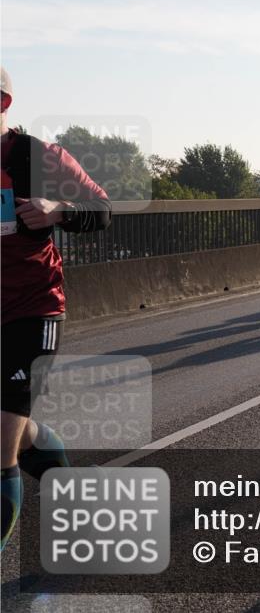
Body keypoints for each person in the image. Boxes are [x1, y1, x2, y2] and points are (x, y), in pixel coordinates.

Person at [1, 66, 112, 550]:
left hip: (33, 309)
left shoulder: (39, 157)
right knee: (17, 432)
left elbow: (102, 209)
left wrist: (58, 211)